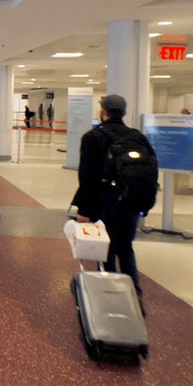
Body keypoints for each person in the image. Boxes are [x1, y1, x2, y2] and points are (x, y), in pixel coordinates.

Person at [71, 94, 153, 308]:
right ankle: (134, 297)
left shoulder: (93, 137)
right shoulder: (137, 136)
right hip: (131, 204)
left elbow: (87, 178)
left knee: (105, 252)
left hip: (103, 204)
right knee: (126, 248)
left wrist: (84, 209)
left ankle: (110, 300)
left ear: (103, 111)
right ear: (124, 112)